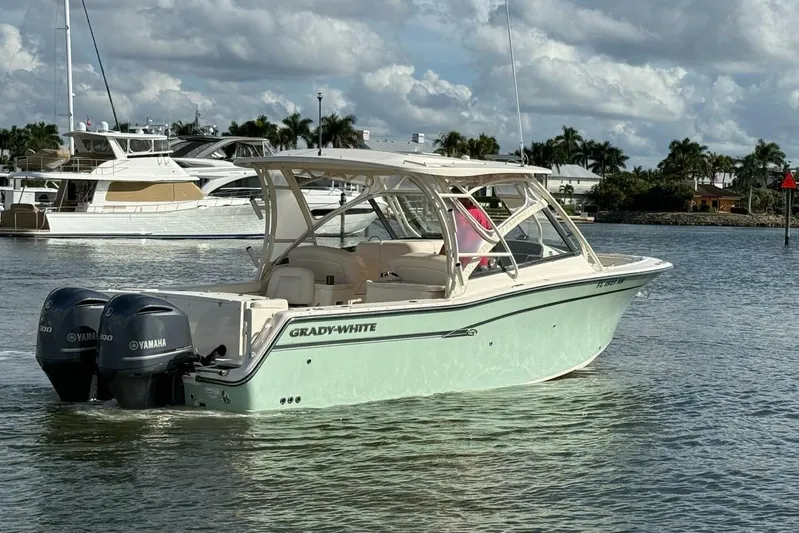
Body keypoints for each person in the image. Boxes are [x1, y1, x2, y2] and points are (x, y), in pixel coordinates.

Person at [439, 188, 493, 270]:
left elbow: (452, 240)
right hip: (479, 259)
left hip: (464, 263)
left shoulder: (455, 215)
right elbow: (489, 234)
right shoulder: (478, 212)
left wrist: (440, 257)